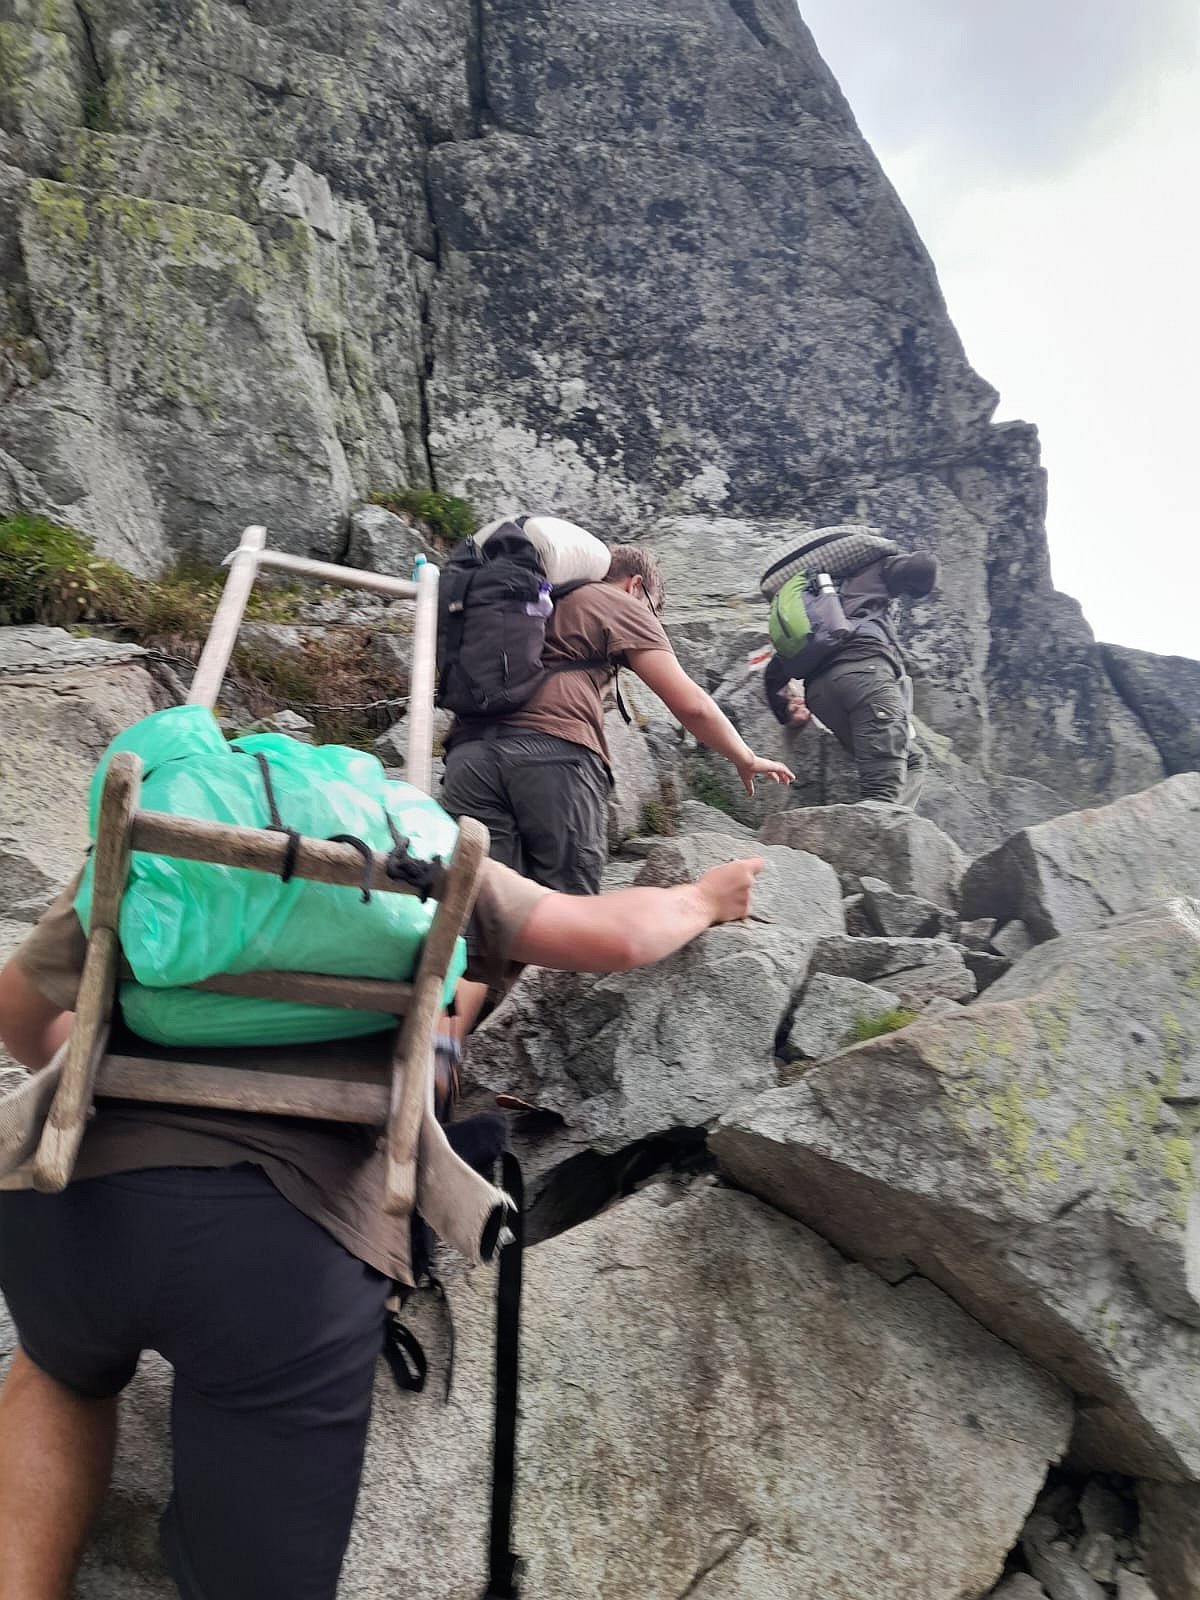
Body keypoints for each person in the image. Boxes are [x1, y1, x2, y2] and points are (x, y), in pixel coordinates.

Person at [0, 849, 764, 1600]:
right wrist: (705, 897)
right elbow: (618, 937)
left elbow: (21, 1017)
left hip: (73, 1210)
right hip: (281, 1254)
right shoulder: (421, 850)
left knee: (61, 1370)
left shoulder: (158, 832)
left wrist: (154, 1068)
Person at [440, 543, 793, 1044]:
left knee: (476, 909)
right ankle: (532, 1060)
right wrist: (744, 756)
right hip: (554, 756)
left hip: (469, 757)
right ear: (636, 586)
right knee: (570, 907)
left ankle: (442, 1046)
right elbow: (690, 704)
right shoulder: (614, 601)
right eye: (654, 608)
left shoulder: (523, 601)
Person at [763, 549, 938, 807]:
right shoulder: (872, 574)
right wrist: (913, 576)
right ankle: (882, 827)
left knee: (911, 759)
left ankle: (887, 826)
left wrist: (785, 712)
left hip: (820, 696)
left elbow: (774, 672)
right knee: (882, 794)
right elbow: (922, 565)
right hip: (866, 677)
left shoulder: (819, 607)